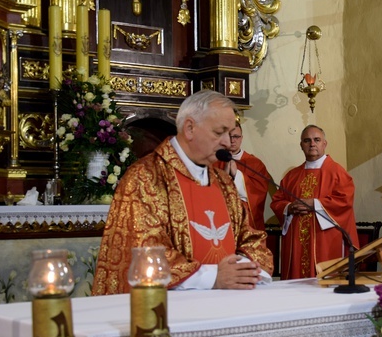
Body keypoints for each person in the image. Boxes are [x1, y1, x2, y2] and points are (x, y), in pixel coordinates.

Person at [92, 89, 273, 295]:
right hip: (169, 309)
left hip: (230, 302)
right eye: (219, 132)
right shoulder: (145, 177)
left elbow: (251, 238)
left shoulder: (223, 182)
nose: (227, 142)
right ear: (189, 128)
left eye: (230, 134)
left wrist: (243, 269)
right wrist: (214, 277)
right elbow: (143, 251)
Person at [270, 124, 358, 279]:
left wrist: (315, 204)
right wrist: (289, 207)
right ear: (301, 145)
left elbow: (344, 201)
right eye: (307, 140)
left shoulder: (337, 172)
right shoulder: (291, 176)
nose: (312, 144)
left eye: (317, 140)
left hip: (325, 238)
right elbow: (277, 201)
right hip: (297, 240)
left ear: (324, 143)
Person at [213, 120, 276, 232]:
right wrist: (225, 175)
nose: (232, 140)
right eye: (229, 136)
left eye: (236, 136)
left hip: (246, 220)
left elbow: (259, 192)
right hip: (221, 218)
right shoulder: (214, 162)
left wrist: (237, 175)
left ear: (242, 138)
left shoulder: (255, 163)